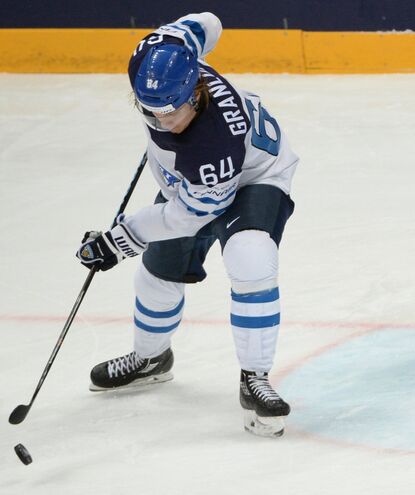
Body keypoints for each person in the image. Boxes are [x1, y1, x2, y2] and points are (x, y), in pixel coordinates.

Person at [75, 12, 298, 436]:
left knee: (251, 257)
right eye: (150, 112)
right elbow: (207, 22)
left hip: (253, 175)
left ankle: (254, 377)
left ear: (196, 93)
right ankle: (151, 358)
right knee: (157, 274)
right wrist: (187, 40)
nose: (161, 123)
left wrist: (118, 240)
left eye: (170, 114)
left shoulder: (213, 145)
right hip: (190, 182)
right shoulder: (153, 60)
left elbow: (186, 216)